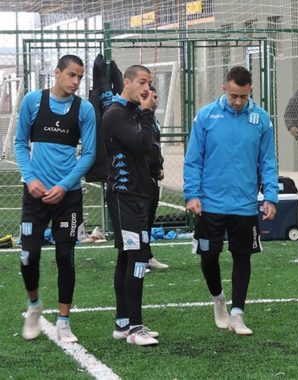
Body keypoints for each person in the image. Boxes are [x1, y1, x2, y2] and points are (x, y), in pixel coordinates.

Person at [184, 66, 279, 336]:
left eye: (243, 97)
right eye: (234, 95)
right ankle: (218, 300)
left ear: (250, 92)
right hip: (210, 203)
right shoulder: (205, 116)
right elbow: (193, 160)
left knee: (242, 256)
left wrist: (270, 196)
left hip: (244, 204)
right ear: (224, 88)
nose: (238, 102)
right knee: (209, 255)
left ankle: (238, 313)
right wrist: (192, 194)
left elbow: (268, 161)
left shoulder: (260, 119)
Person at [14, 54, 96, 343]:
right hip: (35, 194)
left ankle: (63, 321)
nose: (76, 82)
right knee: (28, 256)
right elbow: (20, 144)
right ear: (57, 72)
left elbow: (88, 154)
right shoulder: (32, 101)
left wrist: (64, 185)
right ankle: (34, 305)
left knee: (65, 256)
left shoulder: (84, 109)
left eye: (80, 77)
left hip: (68, 196)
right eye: (71, 75)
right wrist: (31, 177)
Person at [103, 64, 160, 346]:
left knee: (128, 256)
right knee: (137, 257)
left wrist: (146, 114)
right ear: (126, 82)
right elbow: (141, 143)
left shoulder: (132, 112)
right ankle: (135, 329)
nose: (146, 88)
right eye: (141, 82)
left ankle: (123, 323)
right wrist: (148, 113)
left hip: (138, 194)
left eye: (149, 82)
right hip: (123, 195)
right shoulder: (115, 114)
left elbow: (150, 147)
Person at [146, 86, 169, 271]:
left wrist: (159, 167)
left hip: (153, 177)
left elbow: (155, 147)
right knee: (140, 220)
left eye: (156, 97)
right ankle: (140, 257)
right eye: (152, 97)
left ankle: (147, 255)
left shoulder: (154, 120)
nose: (155, 100)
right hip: (139, 180)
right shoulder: (138, 118)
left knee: (148, 220)